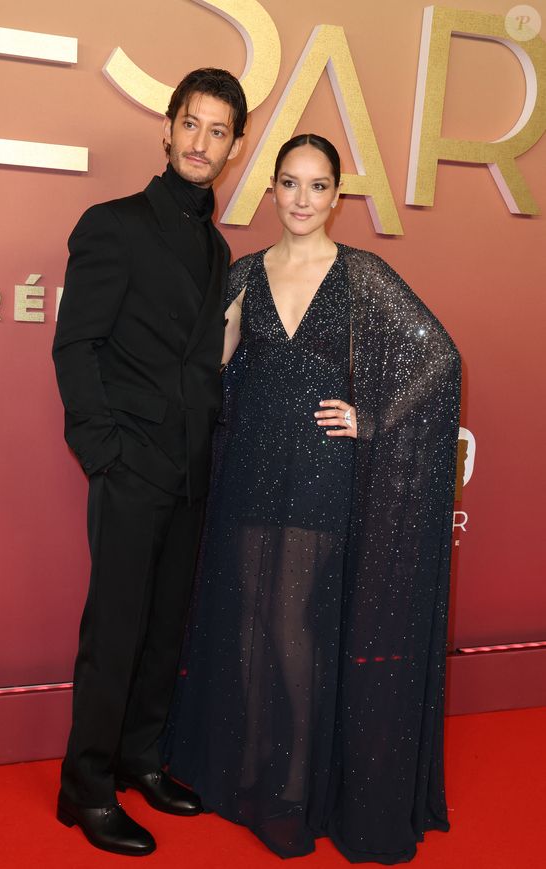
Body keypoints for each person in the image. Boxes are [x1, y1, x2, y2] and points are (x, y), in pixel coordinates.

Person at [161, 134, 461, 864]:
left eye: (317, 185)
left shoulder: (361, 275)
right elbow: (214, 366)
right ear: (272, 189)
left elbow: (439, 358)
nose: (302, 200)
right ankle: (250, 769)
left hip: (321, 471)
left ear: (336, 195)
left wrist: (375, 418)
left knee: (295, 623)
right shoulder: (242, 273)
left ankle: (294, 785)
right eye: (289, 184)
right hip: (250, 466)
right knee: (247, 619)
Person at [52, 68, 247, 857]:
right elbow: (76, 345)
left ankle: (141, 759)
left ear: (233, 148)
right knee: (117, 632)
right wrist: (105, 453)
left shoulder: (216, 243)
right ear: (167, 130)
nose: (202, 143)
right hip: (131, 467)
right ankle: (87, 787)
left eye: (219, 131)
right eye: (191, 125)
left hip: (193, 470)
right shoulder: (113, 224)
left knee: (165, 632)